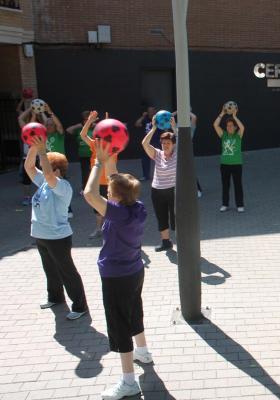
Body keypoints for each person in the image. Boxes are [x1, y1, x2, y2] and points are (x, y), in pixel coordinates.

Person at [83, 140, 153, 400]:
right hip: (134, 272)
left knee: (120, 324)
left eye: (110, 189)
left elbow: (89, 195)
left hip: (116, 276)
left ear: (115, 196)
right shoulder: (137, 207)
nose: (107, 189)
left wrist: (97, 162)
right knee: (134, 310)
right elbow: (116, 179)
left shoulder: (117, 214)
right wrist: (109, 153)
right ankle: (143, 351)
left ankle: (128, 382)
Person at [24, 135, 88, 320]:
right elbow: (29, 167)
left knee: (67, 272)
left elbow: (49, 176)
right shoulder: (44, 183)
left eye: (47, 167)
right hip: (41, 234)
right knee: (49, 269)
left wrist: (43, 151)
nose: (43, 171)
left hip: (58, 237)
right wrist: (34, 148)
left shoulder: (62, 186)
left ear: (57, 170)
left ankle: (80, 306)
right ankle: (56, 297)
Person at [79, 111, 119, 239]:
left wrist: (108, 126)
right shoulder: (95, 145)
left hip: (110, 182)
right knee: (97, 209)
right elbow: (83, 134)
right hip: (97, 182)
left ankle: (113, 230)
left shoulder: (113, 147)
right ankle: (99, 230)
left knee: (112, 207)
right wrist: (90, 121)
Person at [142, 115, 177, 251]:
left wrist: (174, 127)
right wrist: (154, 128)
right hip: (157, 191)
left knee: (176, 218)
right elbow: (144, 144)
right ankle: (166, 242)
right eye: (163, 143)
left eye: (168, 143)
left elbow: (184, 141)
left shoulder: (177, 153)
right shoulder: (157, 154)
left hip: (173, 190)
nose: (165, 145)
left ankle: (182, 242)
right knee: (161, 216)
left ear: (173, 144)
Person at [213, 106, 246, 212]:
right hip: (224, 164)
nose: (229, 127)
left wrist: (234, 116)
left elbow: (243, 127)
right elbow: (215, 124)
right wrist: (222, 113)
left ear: (235, 127)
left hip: (236, 164)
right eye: (227, 126)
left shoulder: (238, 135)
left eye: (231, 126)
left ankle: (240, 205)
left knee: (238, 185)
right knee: (225, 185)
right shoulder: (224, 135)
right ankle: (225, 204)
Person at [173, 109, 202, 197]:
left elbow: (194, 117)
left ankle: (197, 190)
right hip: (176, 151)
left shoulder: (191, 125)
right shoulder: (177, 124)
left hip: (187, 152)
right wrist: (178, 110)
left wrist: (185, 109)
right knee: (177, 172)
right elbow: (168, 117)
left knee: (190, 172)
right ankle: (179, 191)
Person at [66, 110, 95, 193]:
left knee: (95, 171)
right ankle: (84, 188)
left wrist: (93, 123)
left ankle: (95, 188)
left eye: (88, 119)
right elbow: (68, 130)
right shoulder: (79, 129)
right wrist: (81, 125)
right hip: (83, 155)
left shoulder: (95, 128)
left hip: (94, 155)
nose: (87, 121)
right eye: (85, 120)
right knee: (85, 172)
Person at [135, 106, 161, 181]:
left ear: (155, 111)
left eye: (152, 111)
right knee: (145, 159)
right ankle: (146, 175)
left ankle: (160, 175)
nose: (151, 112)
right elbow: (137, 124)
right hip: (147, 143)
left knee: (159, 159)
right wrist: (143, 116)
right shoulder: (145, 119)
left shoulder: (158, 119)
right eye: (149, 111)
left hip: (157, 142)